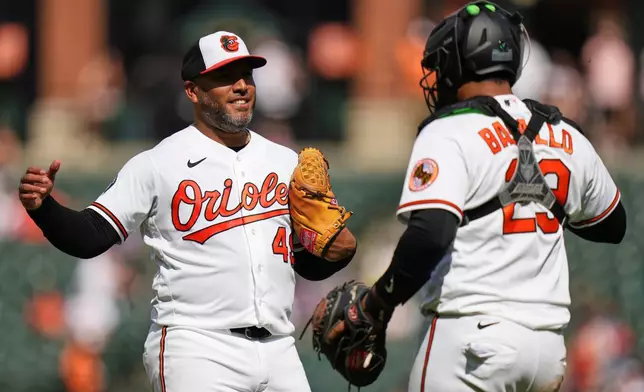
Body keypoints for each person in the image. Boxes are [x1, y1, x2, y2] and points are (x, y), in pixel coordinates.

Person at [18, 31, 356, 392]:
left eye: (247, 75)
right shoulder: (158, 163)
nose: (241, 86)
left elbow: (304, 263)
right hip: (196, 348)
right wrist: (45, 209)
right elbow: (90, 235)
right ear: (193, 91)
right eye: (225, 77)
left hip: (278, 347)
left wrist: (335, 253)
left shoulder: (285, 161)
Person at [315, 2, 626, 391]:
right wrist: (536, 200)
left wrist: (377, 305)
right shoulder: (567, 134)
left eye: (442, 62)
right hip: (546, 349)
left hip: (470, 342)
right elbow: (613, 224)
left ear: (460, 63)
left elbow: (431, 233)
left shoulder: (449, 130)